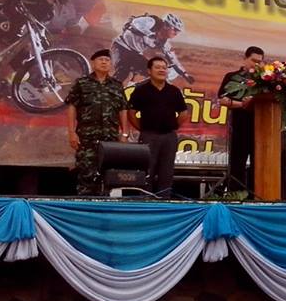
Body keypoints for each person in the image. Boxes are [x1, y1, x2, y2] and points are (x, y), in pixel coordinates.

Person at [65, 49, 129, 195]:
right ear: (93, 63)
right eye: (101, 59)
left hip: (110, 138)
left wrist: (125, 133)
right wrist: (71, 132)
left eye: (107, 60)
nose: (104, 62)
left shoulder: (116, 85)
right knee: (86, 174)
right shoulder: (82, 83)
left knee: (108, 175)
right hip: (87, 138)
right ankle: (85, 204)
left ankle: (104, 204)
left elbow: (123, 109)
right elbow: (72, 107)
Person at [127, 56, 189, 198]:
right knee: (147, 170)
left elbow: (183, 113)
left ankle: (164, 201)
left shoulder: (174, 91)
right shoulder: (141, 90)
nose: (162, 70)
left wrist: (172, 126)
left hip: (169, 137)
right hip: (149, 136)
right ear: (149, 71)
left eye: (164, 68)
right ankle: (145, 201)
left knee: (166, 172)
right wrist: (142, 129)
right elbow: (132, 113)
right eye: (157, 67)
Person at [219, 46, 264, 194]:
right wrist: (243, 104)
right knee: (237, 163)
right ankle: (236, 195)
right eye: (253, 60)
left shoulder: (265, 81)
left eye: (259, 62)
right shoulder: (232, 77)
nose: (256, 64)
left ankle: (256, 196)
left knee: (259, 165)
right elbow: (222, 100)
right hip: (239, 127)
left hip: (261, 129)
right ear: (245, 58)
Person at [112, 12, 193, 86]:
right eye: (175, 29)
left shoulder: (164, 43)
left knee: (153, 73)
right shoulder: (153, 22)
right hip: (120, 46)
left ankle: (133, 88)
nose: (176, 33)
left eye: (178, 31)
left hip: (135, 53)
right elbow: (136, 23)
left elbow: (174, 61)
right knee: (123, 72)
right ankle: (108, 92)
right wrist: (149, 34)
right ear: (166, 25)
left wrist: (185, 75)